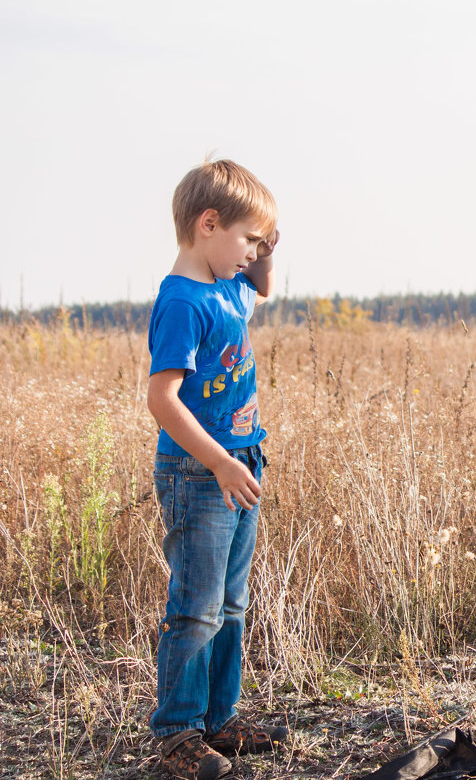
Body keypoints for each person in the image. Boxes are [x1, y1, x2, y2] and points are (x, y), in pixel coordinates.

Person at [146, 159, 286, 779]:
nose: (253, 253)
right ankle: (177, 731)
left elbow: (263, 288)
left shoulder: (227, 284)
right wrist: (221, 463)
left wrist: (267, 247)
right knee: (196, 606)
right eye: (246, 240)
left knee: (231, 603)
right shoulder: (181, 302)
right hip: (201, 474)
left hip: (239, 465)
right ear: (209, 224)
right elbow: (162, 399)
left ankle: (219, 721)